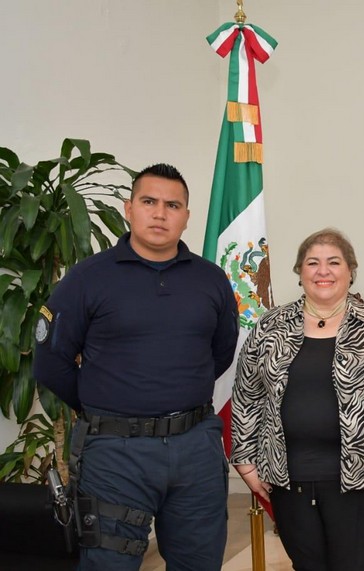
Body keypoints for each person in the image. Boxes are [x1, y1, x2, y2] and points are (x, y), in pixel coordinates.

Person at [32, 163, 239, 570]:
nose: (160, 213)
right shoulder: (87, 278)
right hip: (115, 453)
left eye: (172, 205)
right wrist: (104, 406)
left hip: (195, 446)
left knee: (200, 562)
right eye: (149, 202)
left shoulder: (211, 280)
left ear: (186, 216)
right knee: (109, 564)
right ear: (129, 209)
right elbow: (50, 364)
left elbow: (221, 354)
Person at [230, 228, 364, 571]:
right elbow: (247, 396)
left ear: (350, 271)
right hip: (290, 481)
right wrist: (245, 461)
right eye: (313, 263)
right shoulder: (270, 327)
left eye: (334, 262)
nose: (323, 271)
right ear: (300, 272)